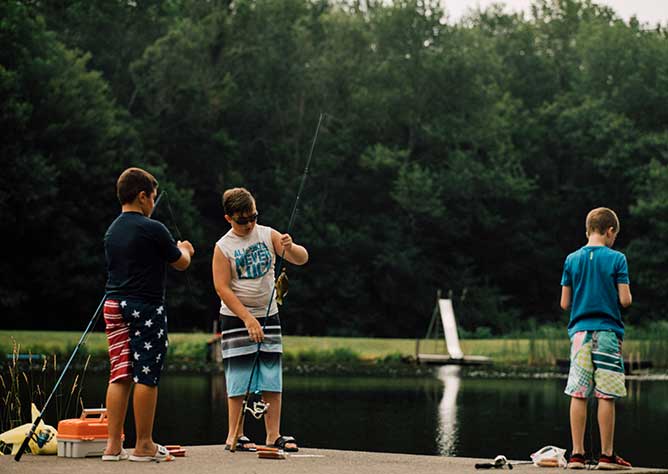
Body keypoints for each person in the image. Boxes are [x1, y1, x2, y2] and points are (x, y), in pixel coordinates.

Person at [102, 167, 194, 462]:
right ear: (142, 196)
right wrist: (185, 249)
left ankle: (112, 446)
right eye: (152, 197)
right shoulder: (154, 228)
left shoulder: (112, 230)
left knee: (119, 373)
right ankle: (143, 445)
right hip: (145, 308)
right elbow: (180, 263)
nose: (153, 203)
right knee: (146, 373)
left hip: (113, 306)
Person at [212, 187, 308, 452]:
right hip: (235, 317)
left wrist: (291, 247)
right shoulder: (223, 247)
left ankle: (273, 435)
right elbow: (222, 288)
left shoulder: (267, 234)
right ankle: (235, 435)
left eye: (253, 217)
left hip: (268, 315)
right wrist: (247, 319)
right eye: (242, 220)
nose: (249, 224)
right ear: (228, 218)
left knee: (271, 375)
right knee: (239, 376)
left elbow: (302, 258)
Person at [560, 207, 632, 470]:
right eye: (615, 235)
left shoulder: (571, 259)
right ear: (610, 231)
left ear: (588, 230)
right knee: (605, 394)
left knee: (578, 393)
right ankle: (606, 456)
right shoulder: (617, 259)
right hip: (607, 334)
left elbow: (564, 303)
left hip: (580, 335)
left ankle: (577, 455)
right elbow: (625, 300)